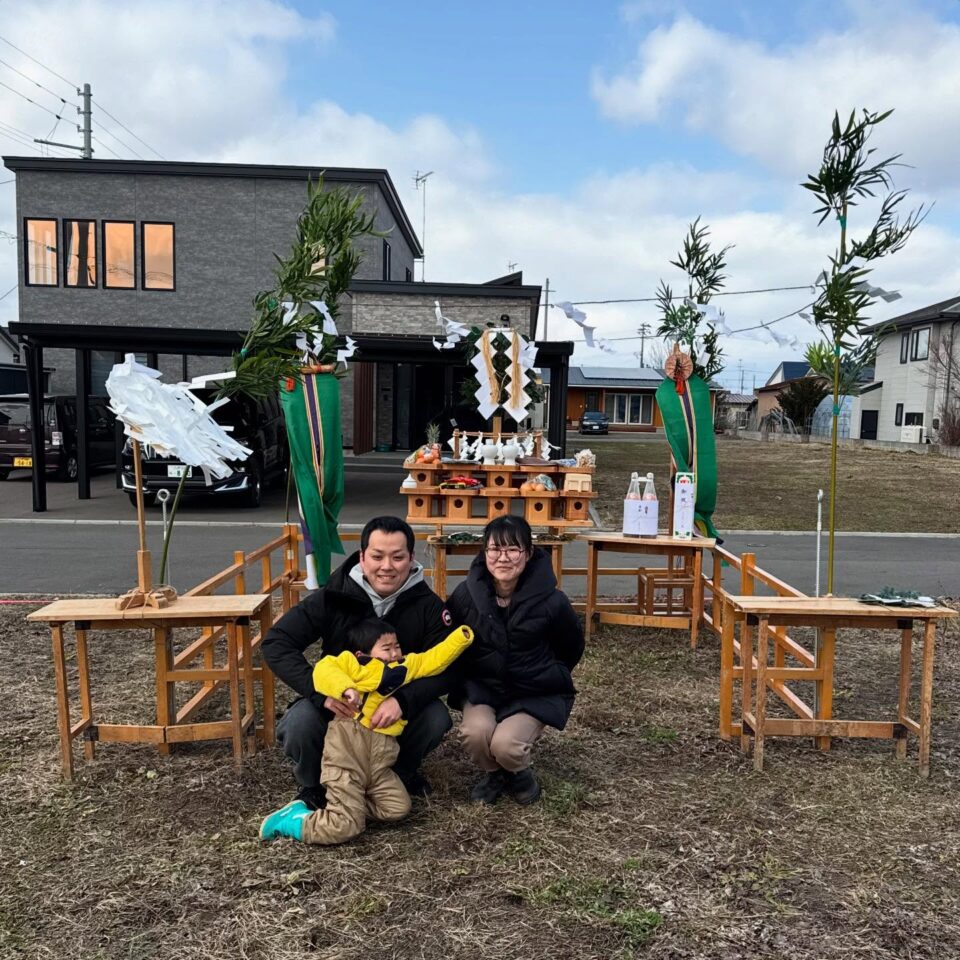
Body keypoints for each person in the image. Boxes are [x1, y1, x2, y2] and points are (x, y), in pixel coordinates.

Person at [262, 516, 456, 810]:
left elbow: (447, 668)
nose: (387, 566)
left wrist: (403, 701)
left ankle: (399, 772)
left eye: (397, 557)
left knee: (435, 717)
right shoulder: (333, 597)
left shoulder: (429, 606)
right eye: (377, 556)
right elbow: (277, 643)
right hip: (340, 705)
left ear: (411, 559)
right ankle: (314, 784)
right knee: (299, 721)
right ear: (363, 557)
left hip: (391, 713)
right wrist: (319, 693)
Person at [260, 619, 474, 844]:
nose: (394, 653)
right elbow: (325, 669)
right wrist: (345, 688)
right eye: (386, 648)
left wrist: (462, 636)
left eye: (396, 646)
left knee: (398, 808)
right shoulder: (354, 665)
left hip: (379, 767)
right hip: (346, 762)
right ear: (364, 653)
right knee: (345, 828)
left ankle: (347, 809)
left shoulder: (404, 667)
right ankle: (294, 821)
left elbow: (434, 659)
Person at [447, 516, 585, 805]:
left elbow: (570, 646)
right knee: (475, 733)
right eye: (495, 549)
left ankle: (518, 771)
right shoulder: (464, 595)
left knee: (506, 744)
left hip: (533, 689)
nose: (503, 558)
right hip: (483, 687)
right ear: (484, 552)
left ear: (529, 553)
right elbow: (451, 642)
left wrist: (549, 672)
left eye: (513, 549)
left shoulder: (553, 601)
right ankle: (495, 773)